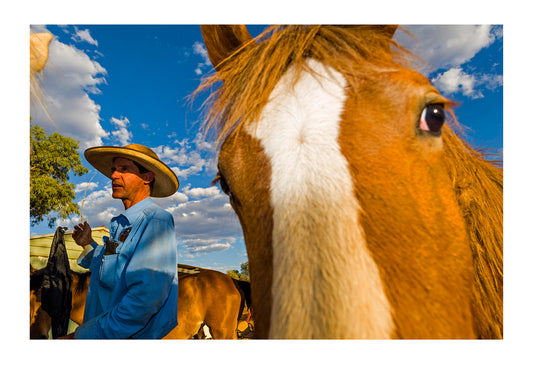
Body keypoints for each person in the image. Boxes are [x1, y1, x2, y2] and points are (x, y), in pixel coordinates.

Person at [62, 144, 180, 339]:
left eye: (124, 169)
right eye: (114, 170)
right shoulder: (121, 224)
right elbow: (112, 272)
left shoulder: (156, 220)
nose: (114, 175)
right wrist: (87, 243)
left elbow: (145, 298)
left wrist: (84, 336)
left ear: (147, 178)